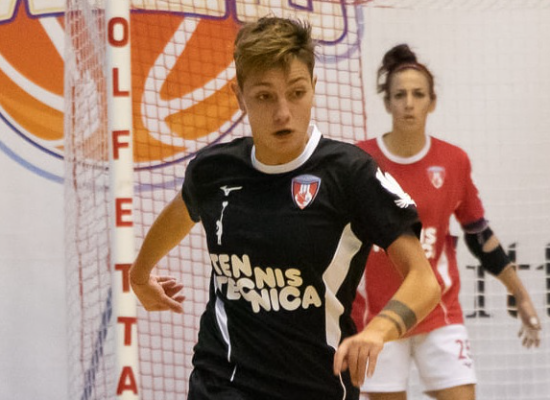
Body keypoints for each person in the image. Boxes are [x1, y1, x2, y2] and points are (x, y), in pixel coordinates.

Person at [129, 18, 441, 400]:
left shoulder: (350, 174)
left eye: (296, 93)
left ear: (313, 87)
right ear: (239, 96)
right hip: (221, 381)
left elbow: (424, 281)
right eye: (264, 96)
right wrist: (140, 274)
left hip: (315, 385)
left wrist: (379, 331)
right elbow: (184, 210)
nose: (283, 112)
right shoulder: (214, 170)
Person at [352, 44, 542, 400]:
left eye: (418, 94)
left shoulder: (453, 161)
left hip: (438, 310)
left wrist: (520, 294)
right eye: (400, 95)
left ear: (432, 102)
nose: (409, 103)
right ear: (387, 103)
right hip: (376, 316)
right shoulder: (359, 160)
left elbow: (479, 234)